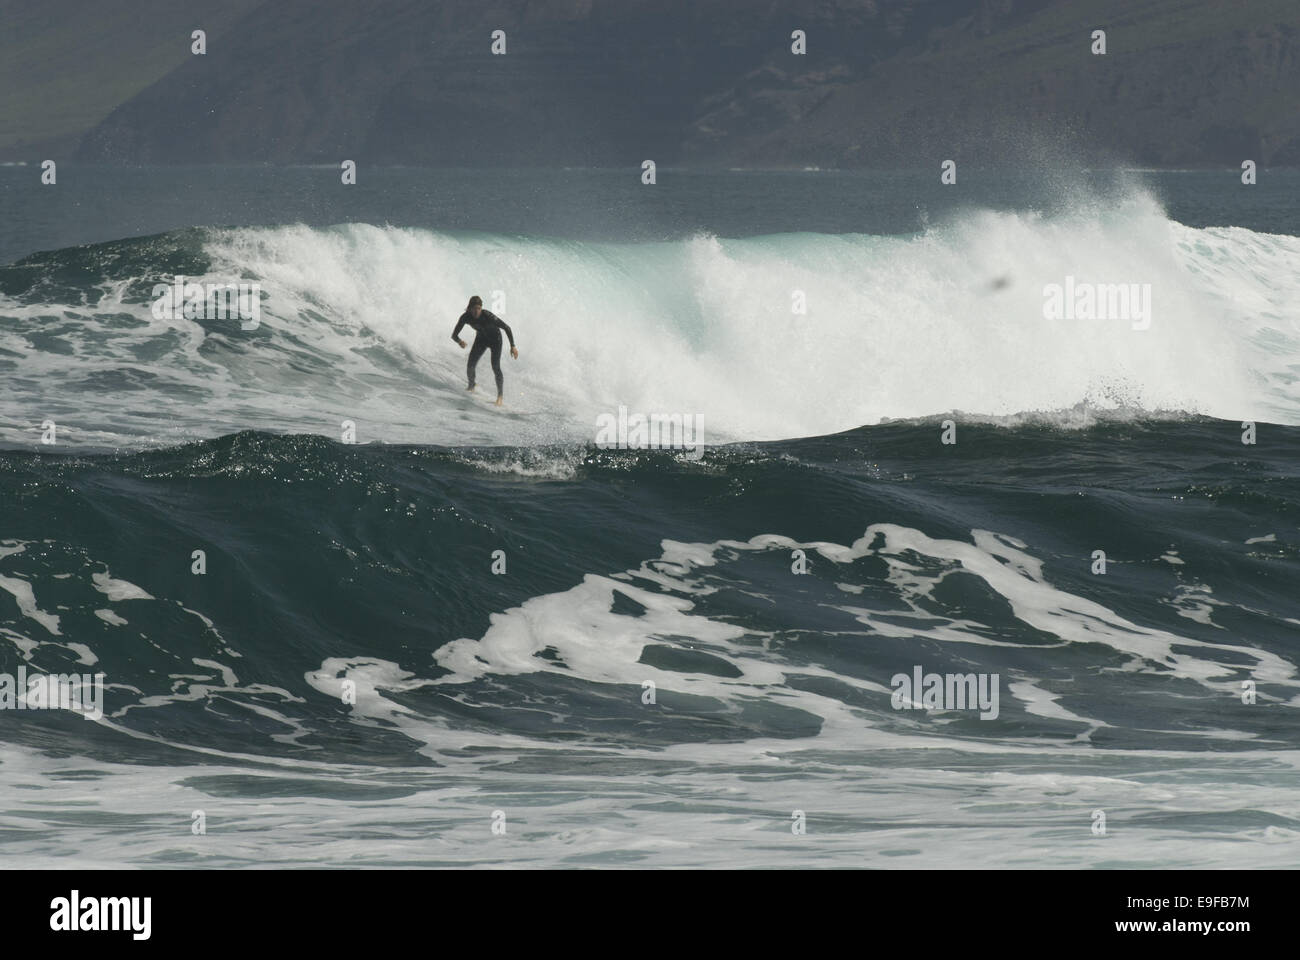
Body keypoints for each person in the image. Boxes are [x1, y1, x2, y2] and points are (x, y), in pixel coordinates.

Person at [451, 295, 518, 405]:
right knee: (470, 365)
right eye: (474, 308)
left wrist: (513, 346)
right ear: (469, 308)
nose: (477, 311)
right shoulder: (465, 317)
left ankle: (500, 396)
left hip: (495, 340)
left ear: (481, 308)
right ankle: (471, 385)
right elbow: (454, 335)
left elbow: (507, 327)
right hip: (481, 339)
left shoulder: (488, 316)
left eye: (479, 308)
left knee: (495, 367)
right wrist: (459, 341)